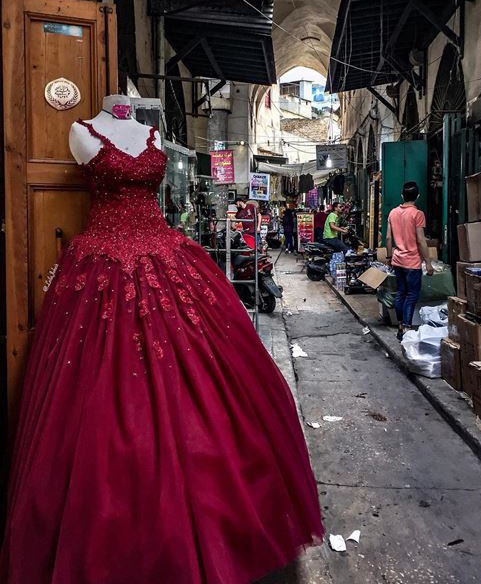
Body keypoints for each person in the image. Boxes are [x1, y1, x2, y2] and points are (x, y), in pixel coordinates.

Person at [1, 97, 323, 583]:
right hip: (102, 264)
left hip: (164, 256)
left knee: (208, 384)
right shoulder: (82, 131)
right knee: (102, 398)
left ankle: (215, 523)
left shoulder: (151, 135)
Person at [386, 181, 434, 341]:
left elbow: (387, 238)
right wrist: (428, 262)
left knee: (400, 293)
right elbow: (421, 240)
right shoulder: (417, 214)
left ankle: (400, 325)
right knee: (412, 295)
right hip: (412, 262)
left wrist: (388, 257)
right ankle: (406, 327)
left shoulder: (392, 213)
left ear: (402, 195)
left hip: (397, 260)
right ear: (418, 196)